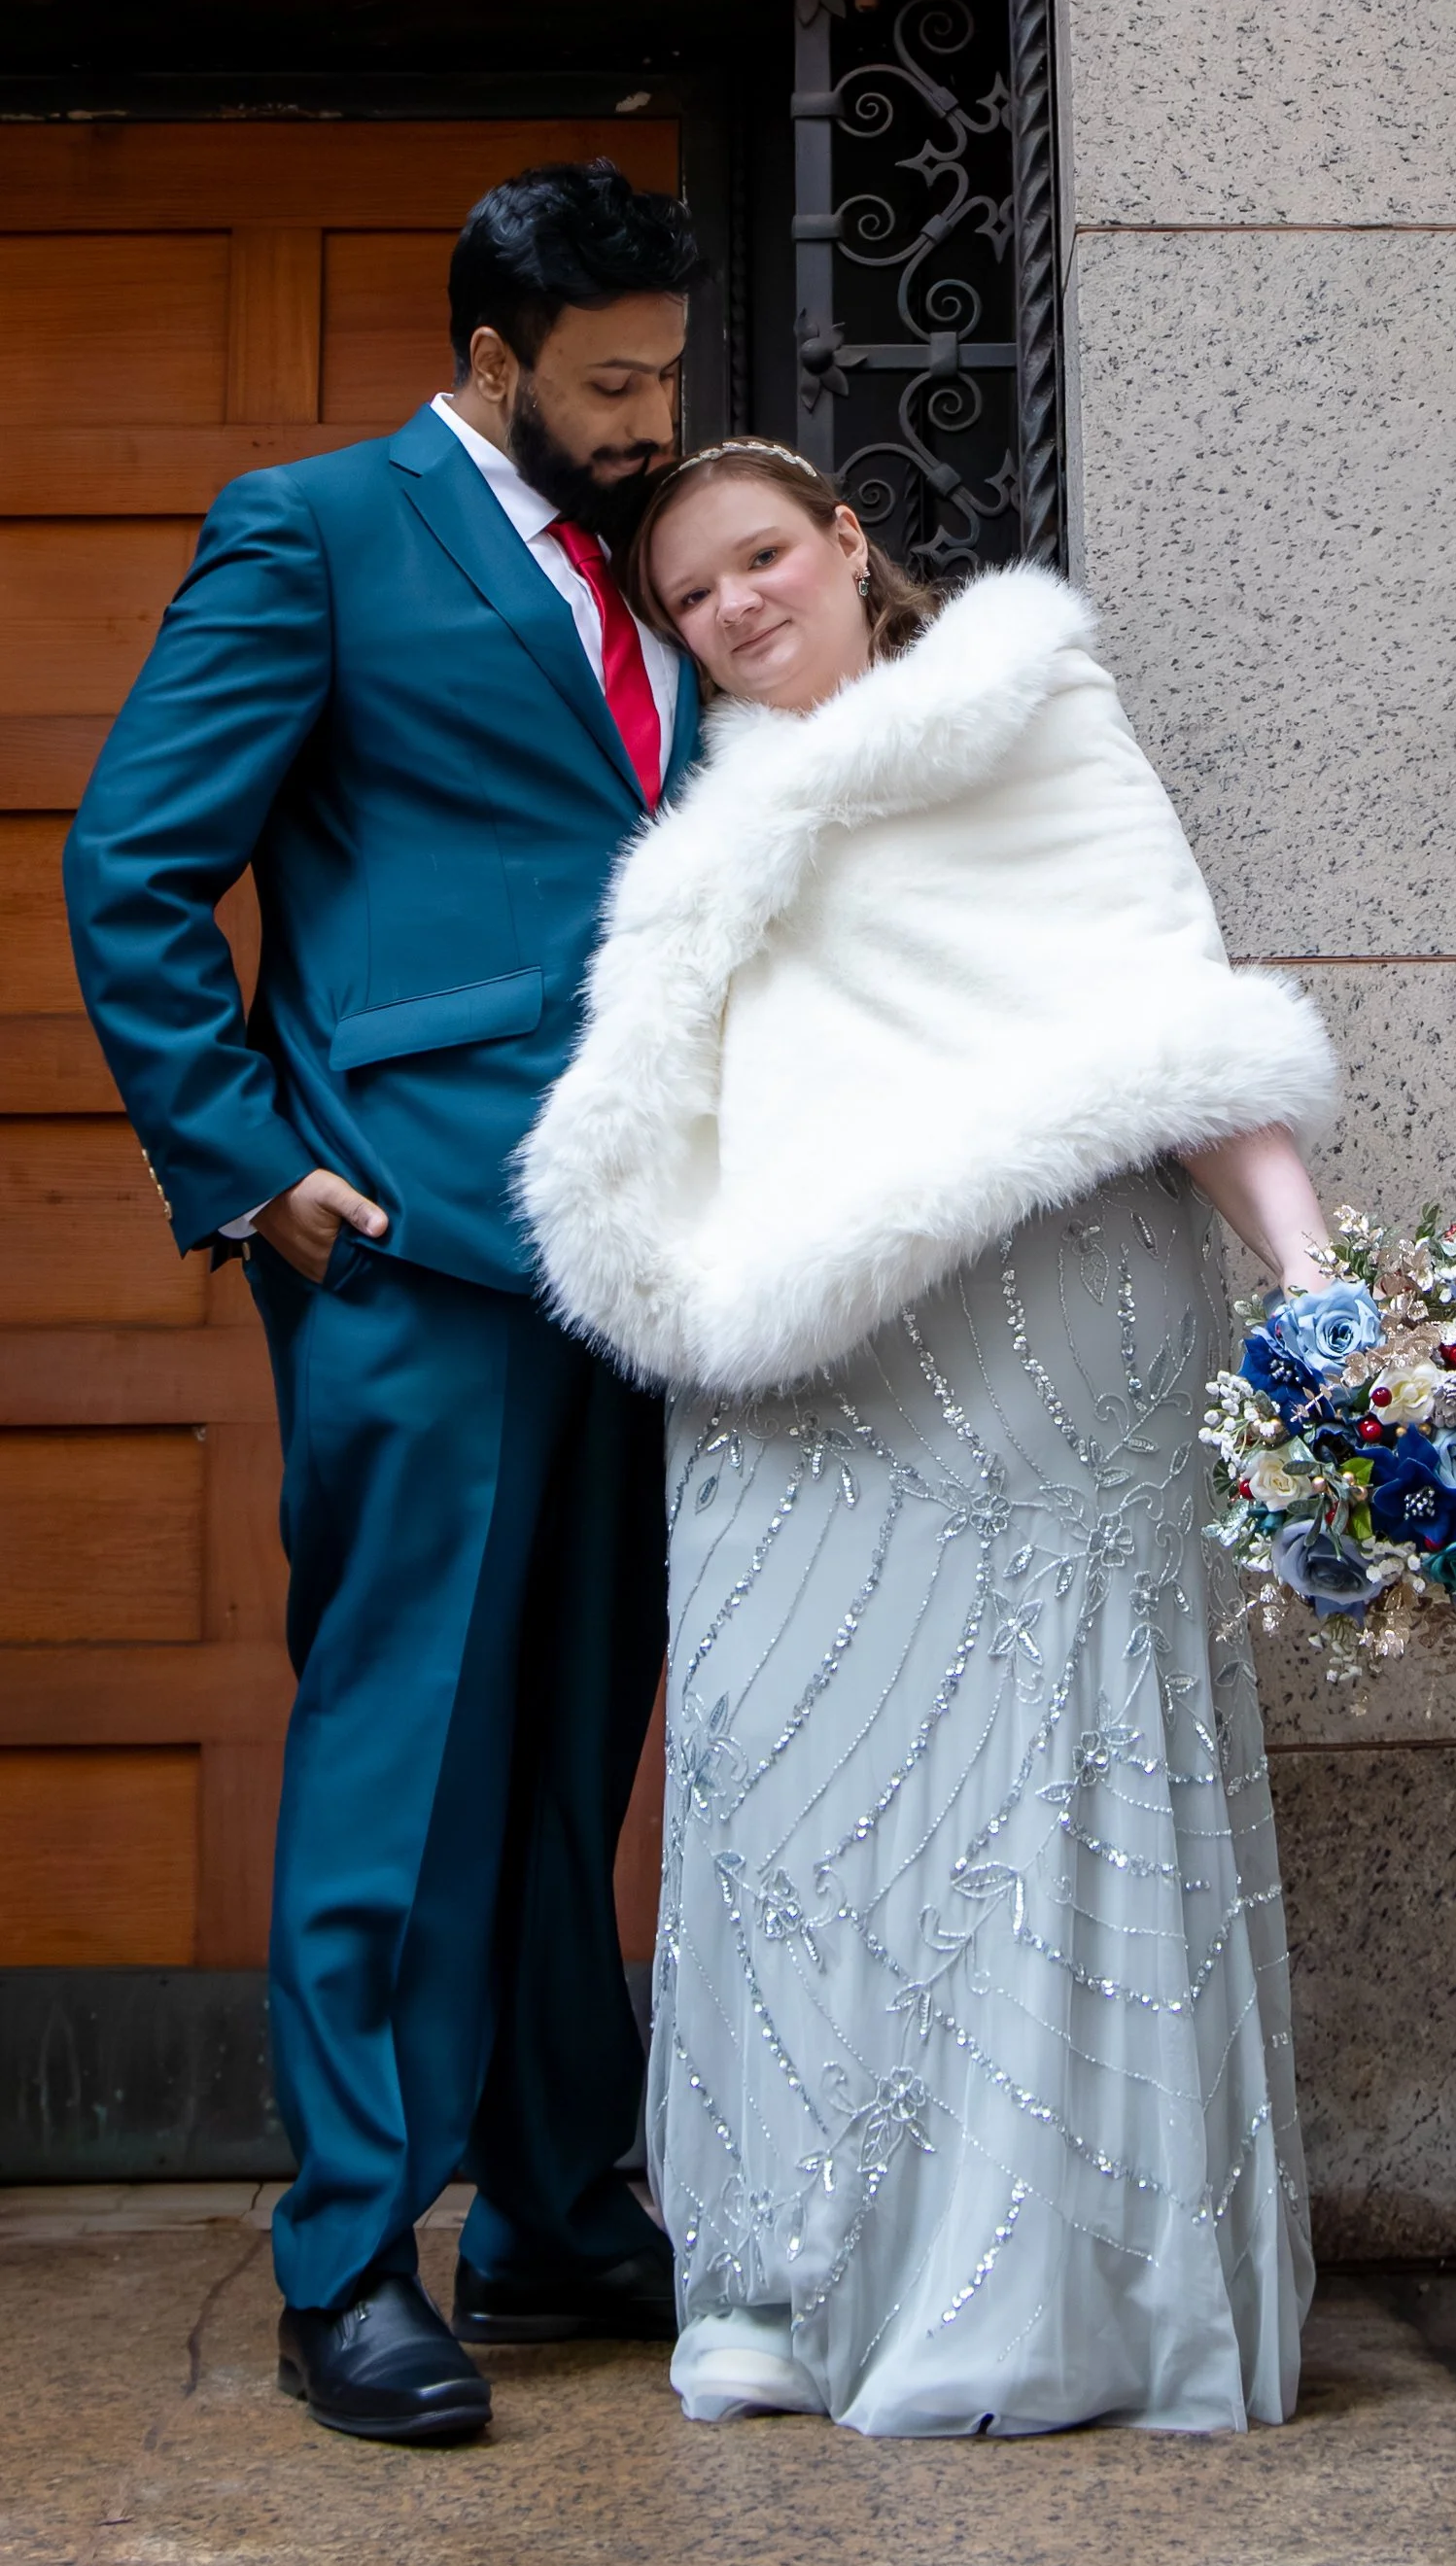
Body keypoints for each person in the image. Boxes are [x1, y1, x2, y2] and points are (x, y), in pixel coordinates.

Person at [520, 441, 1337, 2435]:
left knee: (1035, 1773)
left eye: (762, 555)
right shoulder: (695, 818)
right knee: (781, 1779)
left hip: (1052, 1318)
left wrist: (1320, 1287)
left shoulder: (1028, 711)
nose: (731, 603)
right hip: (790, 1364)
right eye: (689, 590)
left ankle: (1070, 2288)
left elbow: (1173, 1006)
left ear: (847, 542)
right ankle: (781, 2277)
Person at [63, 161, 705, 2444]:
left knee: (572, 1740)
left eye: (666, 374)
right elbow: (134, 862)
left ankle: (551, 2204)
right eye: (607, 383)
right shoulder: (312, 527)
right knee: (399, 1744)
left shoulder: (656, 559)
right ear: (486, 363)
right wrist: (251, 1175)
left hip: (639, 1258)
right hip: (412, 1241)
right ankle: (348, 2250)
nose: (648, 420)